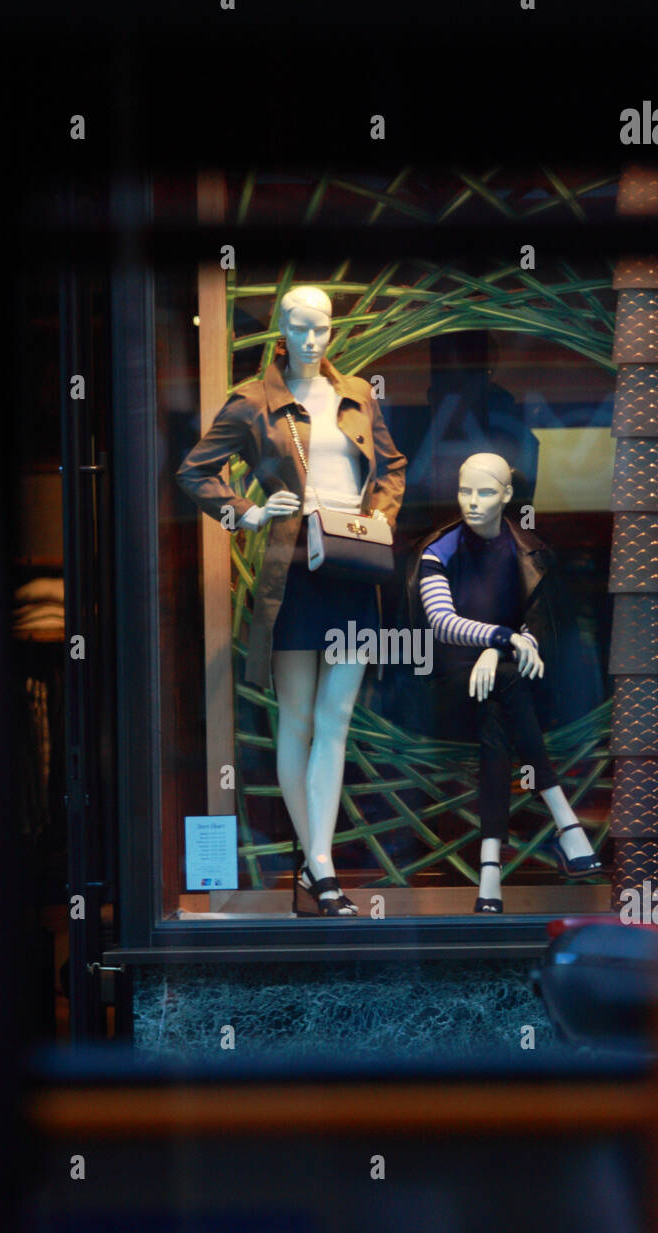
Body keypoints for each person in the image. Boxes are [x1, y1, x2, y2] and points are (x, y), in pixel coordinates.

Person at [176, 286, 407, 916]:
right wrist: (248, 512)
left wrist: (374, 521)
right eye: (301, 329)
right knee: (298, 720)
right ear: (282, 328)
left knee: (336, 722)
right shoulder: (254, 401)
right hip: (293, 572)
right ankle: (323, 867)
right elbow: (195, 471)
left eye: (322, 329)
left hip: (352, 569)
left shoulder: (356, 393)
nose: (312, 341)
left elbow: (391, 467)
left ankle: (317, 868)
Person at [410, 452, 601, 913]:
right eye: (465, 491)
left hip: (506, 685)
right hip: (447, 687)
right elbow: (442, 622)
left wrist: (498, 651)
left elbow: (538, 626)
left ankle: (489, 871)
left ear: (508, 494)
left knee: (500, 700)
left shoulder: (529, 552)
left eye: (486, 492)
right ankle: (566, 823)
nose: (472, 503)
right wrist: (503, 637)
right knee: (505, 688)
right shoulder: (439, 551)